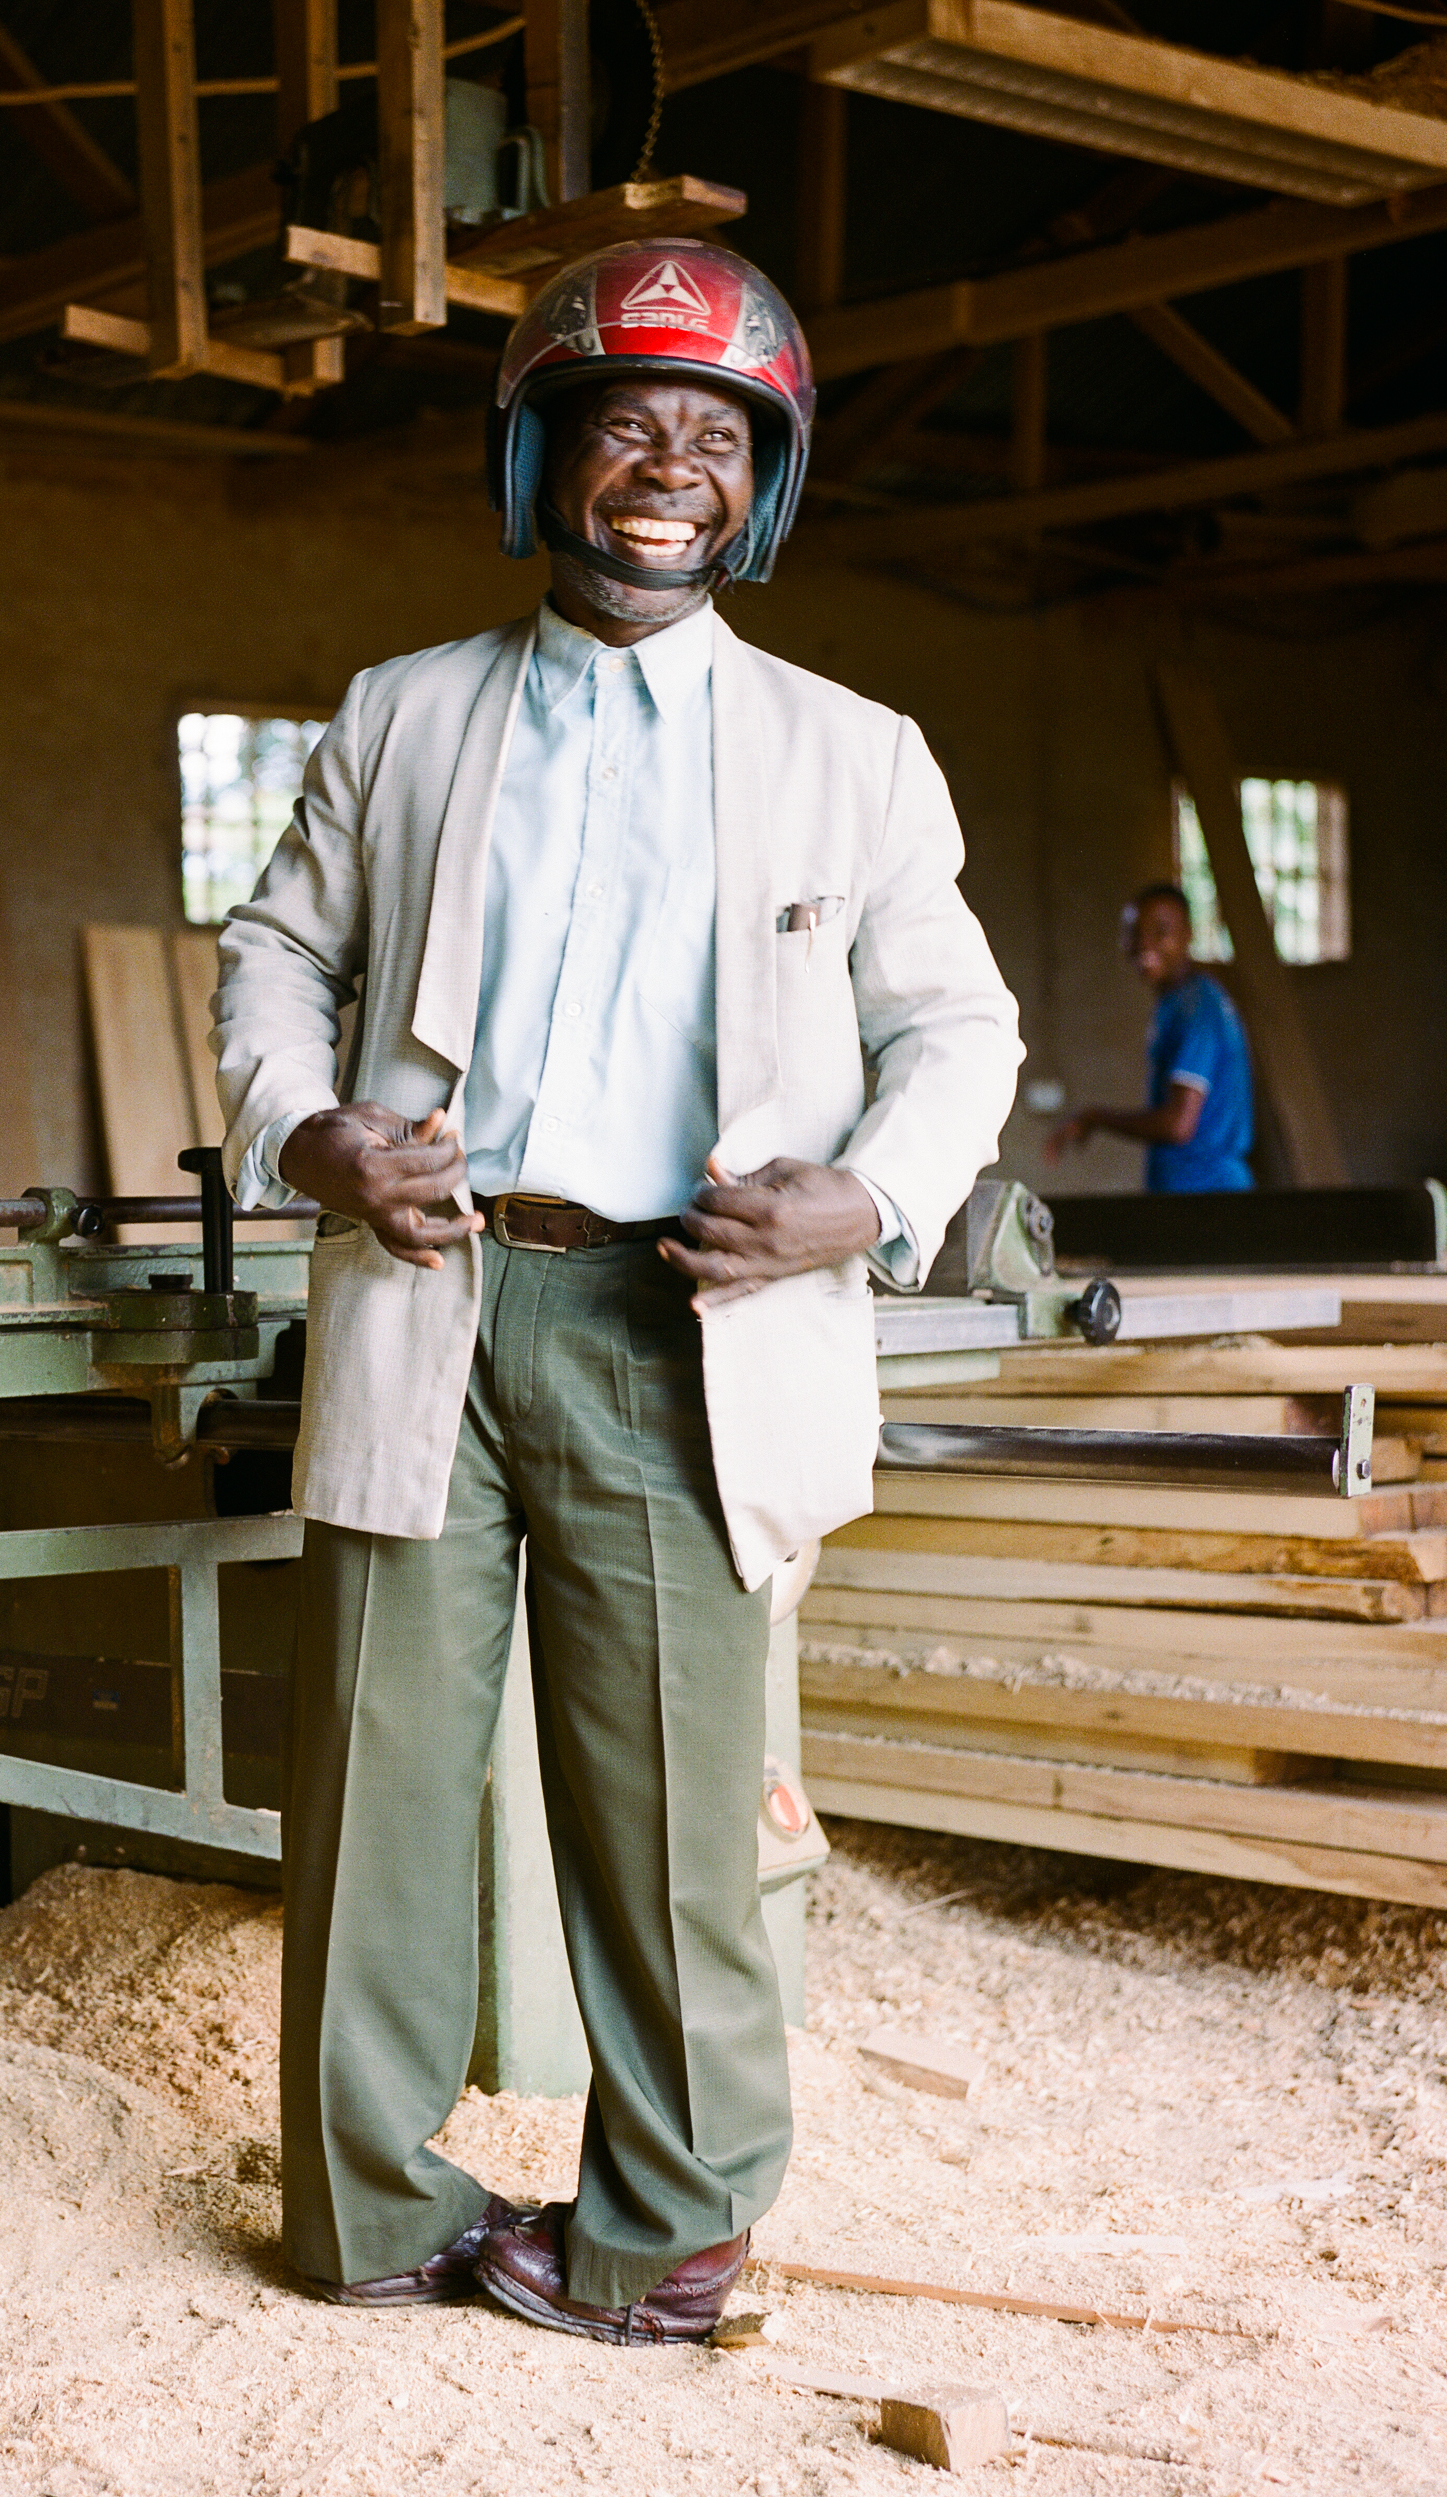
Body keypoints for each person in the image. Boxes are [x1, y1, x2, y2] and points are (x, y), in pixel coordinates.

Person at [212, 239, 1021, 2348]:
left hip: (682, 1319)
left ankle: (661, 2240)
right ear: (537, 455)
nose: (661, 466)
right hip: (432, 1291)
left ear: (757, 481)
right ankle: (368, 2213)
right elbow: (273, 956)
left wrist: (861, 1196)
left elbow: (958, 1030)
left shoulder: (848, 751)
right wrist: (309, 1133)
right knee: (373, 1785)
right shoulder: (404, 715)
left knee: (673, 1817)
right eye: (619, 424)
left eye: (710, 435)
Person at [1045, 883, 1255, 1192]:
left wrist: (1097, 1118)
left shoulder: (1199, 1011)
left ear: (1187, 933)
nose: (1145, 944)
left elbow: (1179, 1125)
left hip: (1208, 1196)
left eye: (1160, 931)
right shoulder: (1176, 1002)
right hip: (1182, 1189)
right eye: (1135, 933)